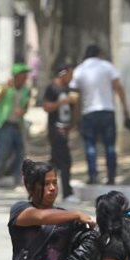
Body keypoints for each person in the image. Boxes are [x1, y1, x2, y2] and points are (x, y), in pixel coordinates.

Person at [70, 45, 130, 186]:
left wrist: (75, 117)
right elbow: (118, 87)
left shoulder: (79, 70)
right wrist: (125, 109)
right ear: (99, 53)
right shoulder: (107, 67)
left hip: (89, 113)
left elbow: (75, 97)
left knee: (90, 146)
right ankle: (111, 177)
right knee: (109, 146)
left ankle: (93, 175)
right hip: (107, 111)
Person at [0, 63, 32, 189]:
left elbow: (25, 106)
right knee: (3, 151)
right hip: (4, 124)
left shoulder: (26, 90)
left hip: (17, 124)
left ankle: (17, 179)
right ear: (16, 76)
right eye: (23, 75)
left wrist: (22, 112)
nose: (25, 78)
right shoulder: (6, 87)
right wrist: (5, 88)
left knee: (20, 151)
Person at [41, 63, 79, 202]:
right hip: (55, 129)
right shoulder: (52, 88)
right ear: (63, 74)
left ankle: (40, 185)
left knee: (54, 163)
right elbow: (46, 106)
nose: (71, 77)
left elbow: (73, 111)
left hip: (65, 129)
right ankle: (67, 193)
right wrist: (61, 102)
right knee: (65, 161)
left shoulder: (69, 89)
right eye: (70, 74)